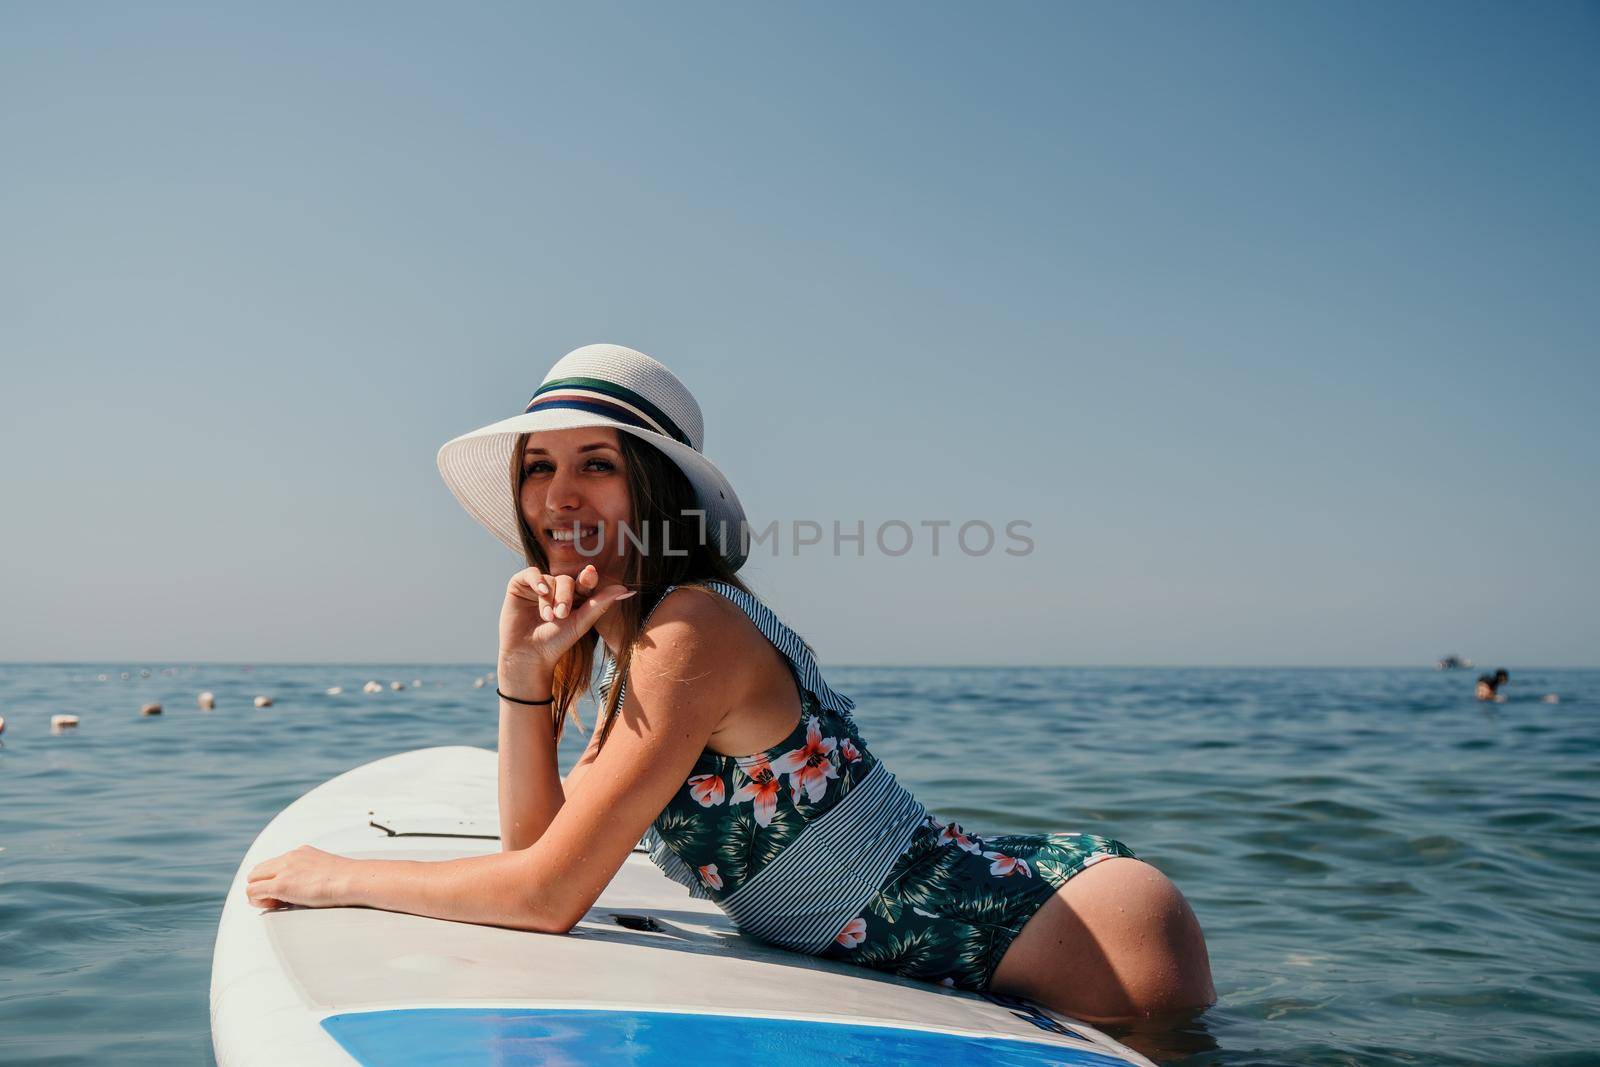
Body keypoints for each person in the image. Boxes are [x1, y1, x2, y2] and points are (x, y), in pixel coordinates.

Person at [245, 344, 1215, 1023]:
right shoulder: (645, 654)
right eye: (539, 468)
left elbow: (544, 895)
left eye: (596, 464)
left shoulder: (689, 628)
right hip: (1031, 927)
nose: (558, 494)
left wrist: (340, 876)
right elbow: (537, 849)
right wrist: (522, 677)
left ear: (658, 493)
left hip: (1082, 934)